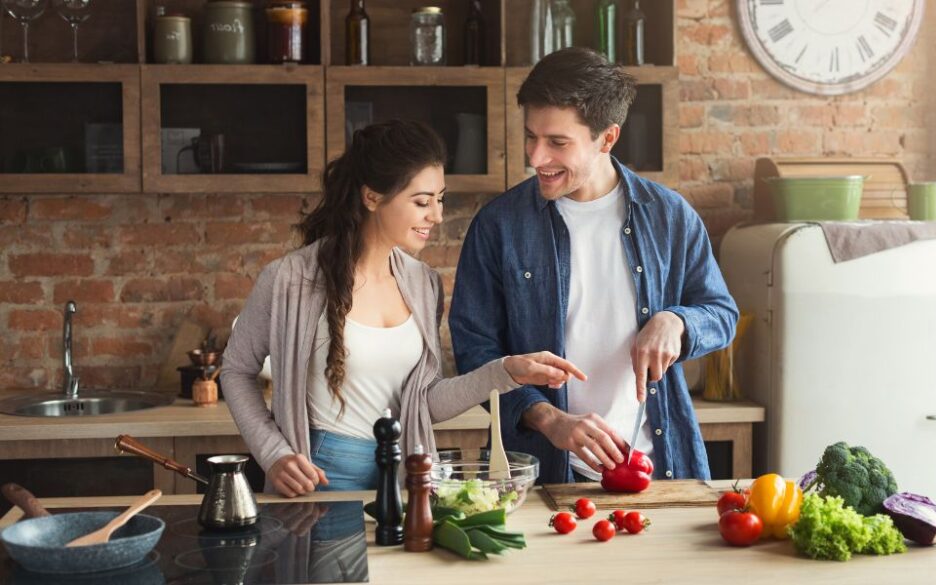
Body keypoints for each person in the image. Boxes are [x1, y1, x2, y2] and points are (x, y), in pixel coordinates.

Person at [221, 120, 585, 497]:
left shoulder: (423, 283)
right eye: (422, 202)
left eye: (440, 199)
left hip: (405, 474)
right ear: (372, 197)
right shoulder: (289, 279)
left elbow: (424, 403)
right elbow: (236, 370)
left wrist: (506, 371)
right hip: (321, 476)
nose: (437, 216)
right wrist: (274, 453)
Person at [449, 48, 738, 485]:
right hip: (542, 475)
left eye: (557, 142)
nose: (536, 157)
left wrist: (676, 322)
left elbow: (721, 314)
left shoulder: (670, 216)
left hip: (657, 468)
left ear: (607, 138)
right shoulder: (499, 226)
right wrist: (548, 418)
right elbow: (475, 351)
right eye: (531, 136)